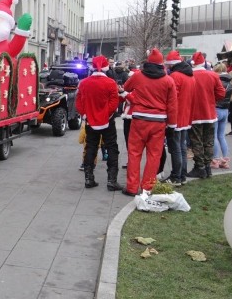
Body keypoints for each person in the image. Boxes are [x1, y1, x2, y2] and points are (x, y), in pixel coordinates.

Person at [120, 48, 177, 197]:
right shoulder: (168, 80)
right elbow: (172, 105)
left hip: (139, 119)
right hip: (158, 122)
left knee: (134, 153)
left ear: (148, 62)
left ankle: (132, 188)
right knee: (154, 155)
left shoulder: (138, 76)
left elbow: (125, 88)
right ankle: (147, 187)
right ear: (162, 64)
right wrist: (172, 124)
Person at [75, 55, 121, 190]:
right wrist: (106, 114)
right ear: (106, 68)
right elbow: (114, 102)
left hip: (90, 121)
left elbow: (79, 102)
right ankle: (111, 181)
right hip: (108, 121)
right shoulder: (111, 83)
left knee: (91, 147)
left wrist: (86, 114)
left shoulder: (84, 83)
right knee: (112, 148)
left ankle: (89, 179)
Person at [158, 50, 194, 186]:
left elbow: (171, 99)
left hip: (176, 117)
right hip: (186, 116)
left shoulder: (175, 76)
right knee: (182, 147)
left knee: (175, 148)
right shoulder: (190, 75)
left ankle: (175, 177)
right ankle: (182, 174)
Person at [187, 52, 225, 178]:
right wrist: (211, 100)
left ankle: (200, 167)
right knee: (209, 141)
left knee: (196, 141)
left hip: (194, 114)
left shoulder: (189, 75)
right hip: (210, 113)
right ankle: (207, 167)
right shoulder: (213, 75)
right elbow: (221, 94)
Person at [211, 65, 231, 169]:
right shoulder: (230, 83)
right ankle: (226, 160)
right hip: (225, 110)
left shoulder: (217, 81)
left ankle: (216, 160)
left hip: (216, 109)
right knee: (221, 136)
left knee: (214, 136)